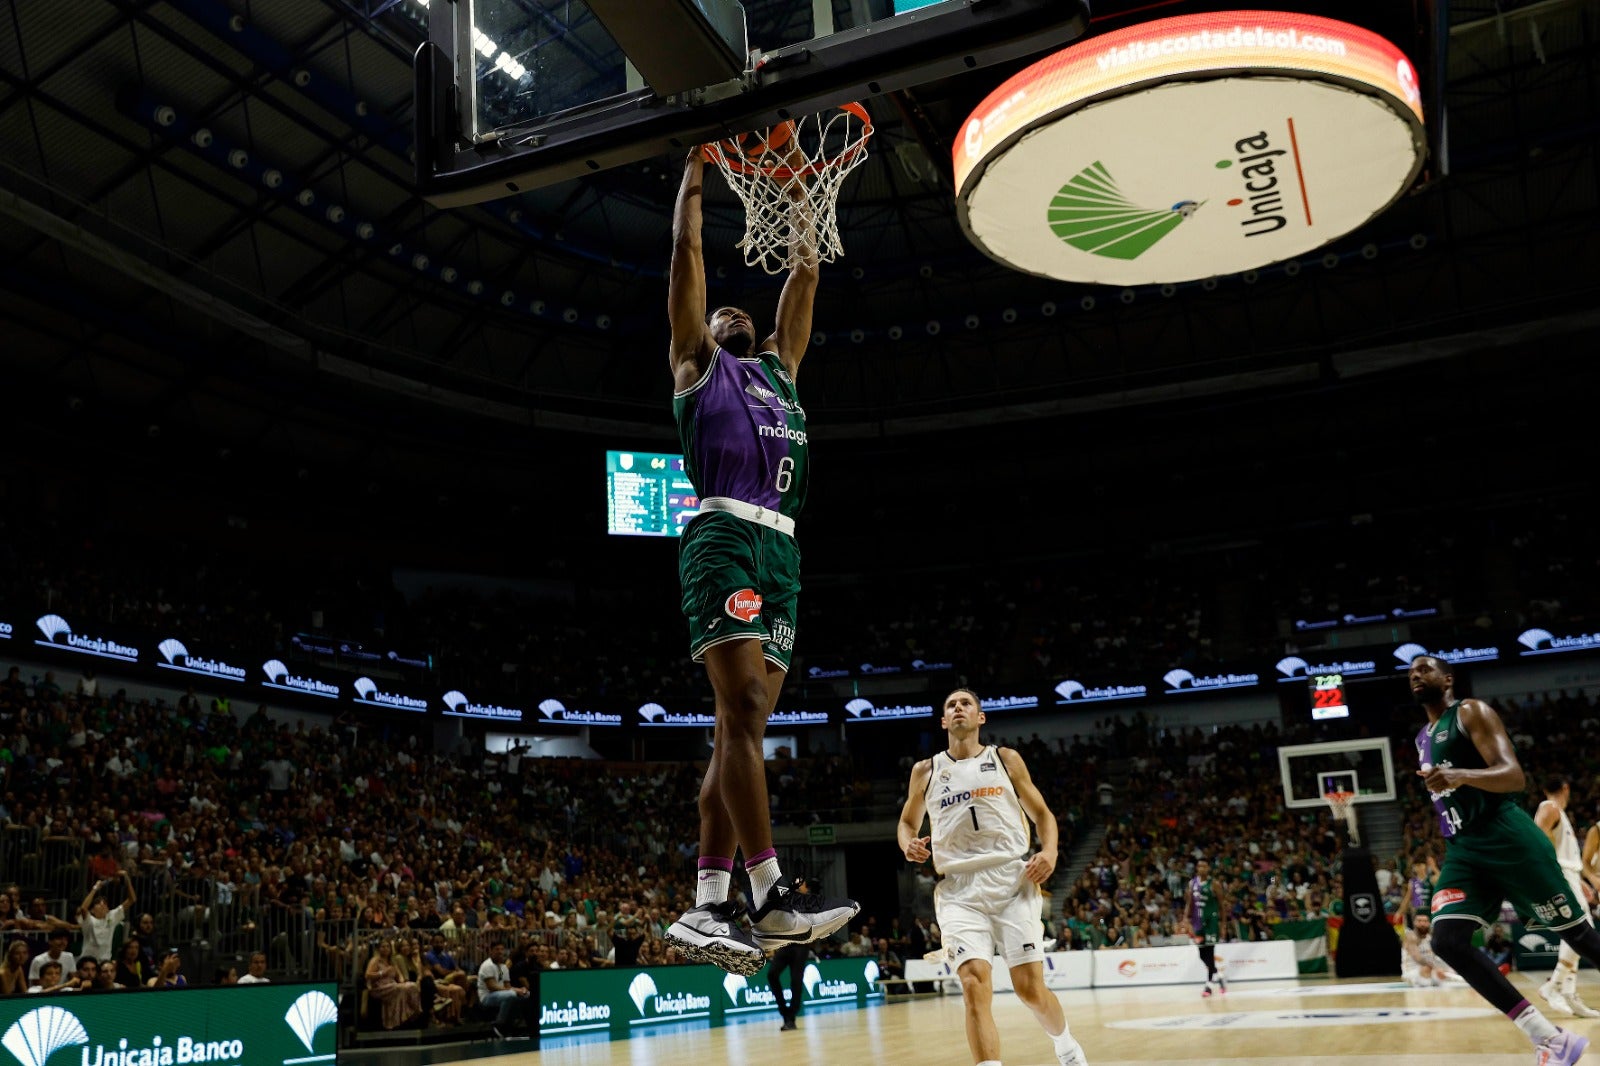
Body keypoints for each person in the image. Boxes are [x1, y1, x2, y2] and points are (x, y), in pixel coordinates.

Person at [659, 139, 857, 976]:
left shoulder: (781, 371)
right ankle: (770, 899)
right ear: (702, 335)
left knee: (736, 733)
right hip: (726, 537)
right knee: (740, 706)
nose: (730, 313)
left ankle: (707, 908)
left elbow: (806, 277)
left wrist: (807, 198)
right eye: (718, 314)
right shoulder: (698, 369)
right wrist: (696, 173)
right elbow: (687, 253)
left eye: (744, 313)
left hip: (783, 552)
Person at [1410, 654, 1600, 1065]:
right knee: (1447, 941)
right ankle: (1551, 1040)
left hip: (1507, 836)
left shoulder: (1471, 712)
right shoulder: (1421, 738)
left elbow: (1514, 775)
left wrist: (1462, 774)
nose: (1415, 674)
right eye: (1411, 671)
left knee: (1581, 938)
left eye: (1424, 668)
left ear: (1447, 678)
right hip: (1464, 848)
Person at [897, 687, 1087, 1066]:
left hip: (1011, 881)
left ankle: (1065, 1045)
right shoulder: (926, 770)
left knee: (1030, 990)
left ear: (981, 717)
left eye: (966, 703)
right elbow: (906, 822)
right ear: (943, 721)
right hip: (958, 890)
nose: (958, 708)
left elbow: (1044, 815)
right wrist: (908, 844)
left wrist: (1048, 852)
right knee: (972, 984)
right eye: (951, 705)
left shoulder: (1005, 759)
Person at [1534, 775, 1600, 1017]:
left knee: (1579, 934)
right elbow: (1535, 841)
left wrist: (1580, 881)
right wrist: (1557, 877)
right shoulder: (1549, 807)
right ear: (1566, 788)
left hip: (1569, 876)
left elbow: (1563, 855)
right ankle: (1555, 987)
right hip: (1560, 876)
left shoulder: (1559, 813)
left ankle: (1566, 991)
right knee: (1582, 933)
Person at [1185, 858, 1228, 997]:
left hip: (1211, 922)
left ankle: (1209, 985)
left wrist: (1223, 926)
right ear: (1197, 868)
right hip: (1198, 923)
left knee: (1209, 952)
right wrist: (1185, 919)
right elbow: (1189, 903)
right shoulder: (1192, 883)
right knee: (1202, 954)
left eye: (1204, 866)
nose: (1201, 868)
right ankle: (1218, 974)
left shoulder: (1214, 884)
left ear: (1208, 868)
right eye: (1199, 866)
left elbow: (1222, 906)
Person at [76, 871, 136, 965]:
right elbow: (83, 908)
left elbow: (132, 899)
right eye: (98, 903)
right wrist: (95, 888)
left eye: (105, 903)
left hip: (104, 962)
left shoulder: (112, 916)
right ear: (92, 910)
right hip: (87, 961)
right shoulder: (89, 920)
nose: (102, 904)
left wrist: (127, 879)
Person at [477, 941, 531, 1038]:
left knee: (526, 995)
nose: (500, 952)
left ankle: (516, 1025)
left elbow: (507, 986)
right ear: (491, 951)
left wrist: (519, 989)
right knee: (510, 995)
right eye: (497, 949)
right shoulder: (487, 965)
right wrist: (513, 991)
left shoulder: (503, 967)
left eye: (502, 949)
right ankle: (499, 1026)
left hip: (501, 994)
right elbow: (492, 987)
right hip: (487, 997)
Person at [1402, 912, 1462, 987]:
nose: (1422, 924)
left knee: (1449, 970)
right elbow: (1418, 958)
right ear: (1414, 923)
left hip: (1431, 970)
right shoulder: (1410, 937)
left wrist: (1444, 969)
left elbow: (1438, 957)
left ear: (1429, 923)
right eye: (1419, 921)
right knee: (1426, 969)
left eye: (1425, 921)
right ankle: (1426, 992)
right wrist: (1436, 968)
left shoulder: (1431, 937)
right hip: (1412, 971)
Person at [1398, 856, 1438, 927]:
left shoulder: (1432, 879)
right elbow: (1407, 899)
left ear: (1425, 866)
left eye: (1420, 865)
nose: (1418, 867)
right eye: (1416, 865)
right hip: (1417, 912)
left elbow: (1442, 878)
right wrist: (1399, 912)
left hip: (1429, 911)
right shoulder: (1413, 881)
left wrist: (1434, 868)